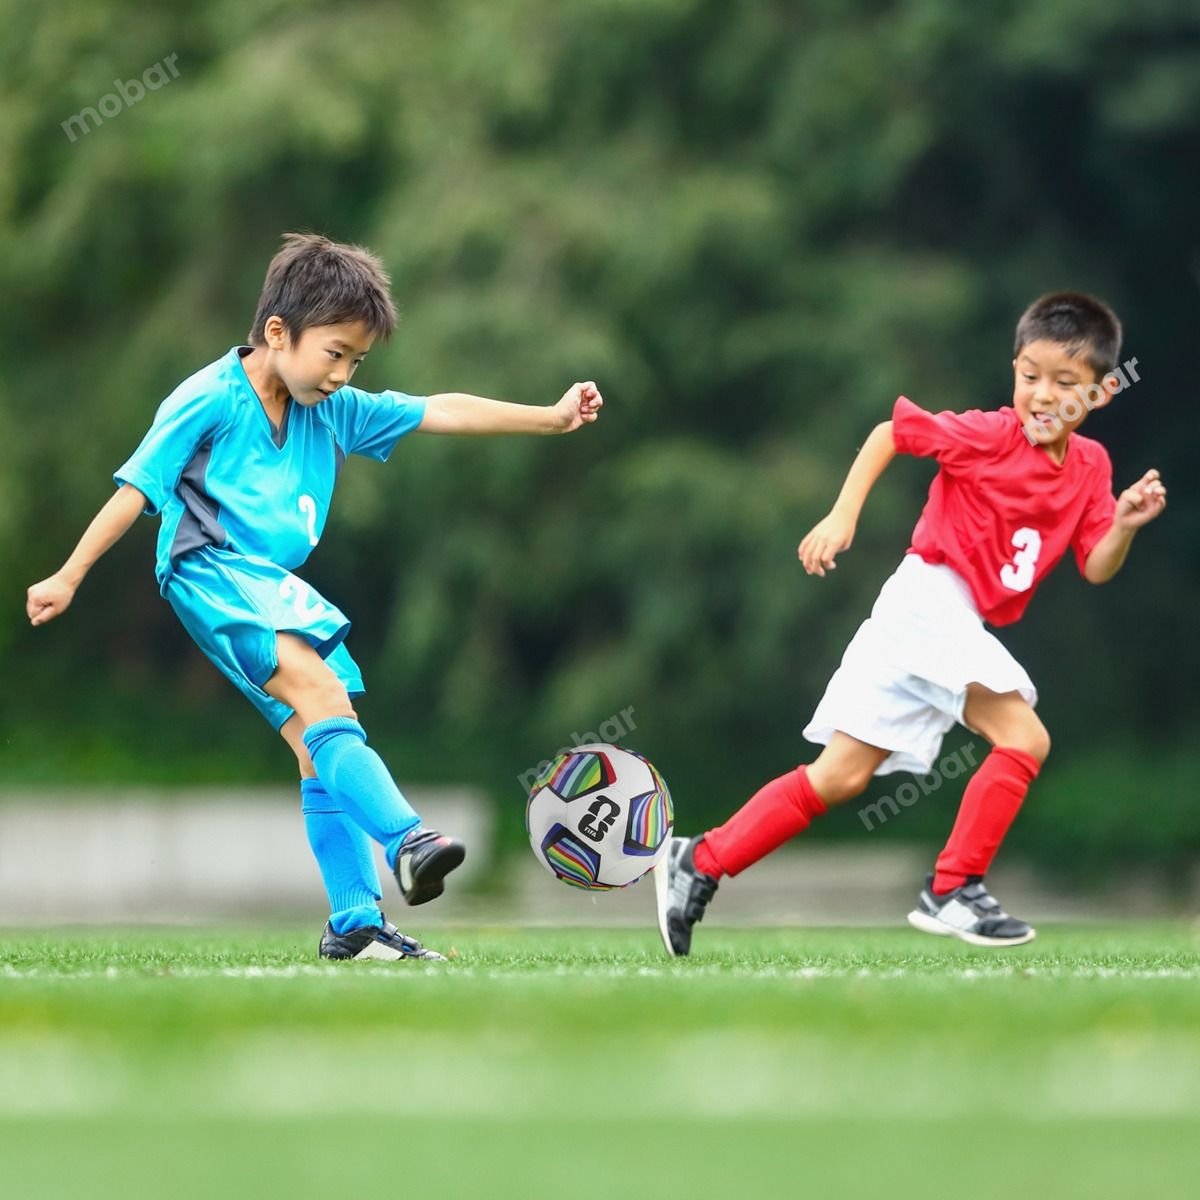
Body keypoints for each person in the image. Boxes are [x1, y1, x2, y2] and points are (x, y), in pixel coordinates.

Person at [27, 233, 603, 962]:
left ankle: (355, 923)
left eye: (357, 360)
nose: (343, 373)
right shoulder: (207, 399)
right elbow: (136, 489)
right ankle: (409, 839)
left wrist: (549, 418)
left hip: (269, 588)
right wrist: (69, 574)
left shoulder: (329, 409)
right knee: (322, 691)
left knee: (316, 737)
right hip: (208, 569)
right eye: (335, 353)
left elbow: (440, 410)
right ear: (277, 332)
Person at [655, 291, 1166, 953]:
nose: (1042, 395)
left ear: (1099, 395)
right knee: (1025, 738)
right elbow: (891, 433)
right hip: (926, 601)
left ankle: (698, 862)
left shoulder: (1092, 467)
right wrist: (843, 516)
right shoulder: (989, 435)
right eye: (1029, 376)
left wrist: (1123, 525)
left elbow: (1096, 565)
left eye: (1065, 384)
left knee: (839, 776)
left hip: (936, 620)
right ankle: (953, 888)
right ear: (1013, 371)